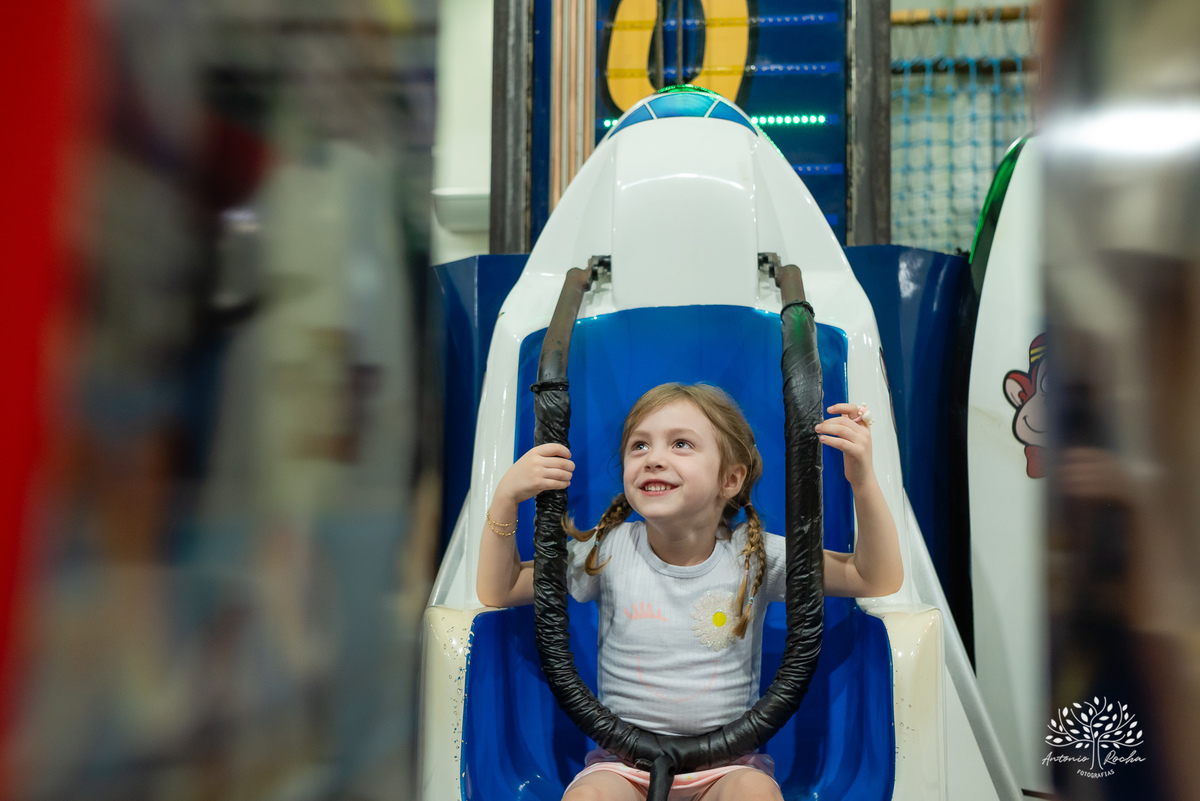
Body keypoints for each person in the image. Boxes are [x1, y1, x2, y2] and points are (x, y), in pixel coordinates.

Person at [476, 382, 904, 801]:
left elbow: (875, 577)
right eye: (639, 446)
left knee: (754, 795)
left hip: (728, 766)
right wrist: (506, 499)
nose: (653, 459)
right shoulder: (609, 550)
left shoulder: (752, 555)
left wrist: (862, 480)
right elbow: (501, 588)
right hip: (623, 766)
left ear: (731, 479)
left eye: (680, 444)